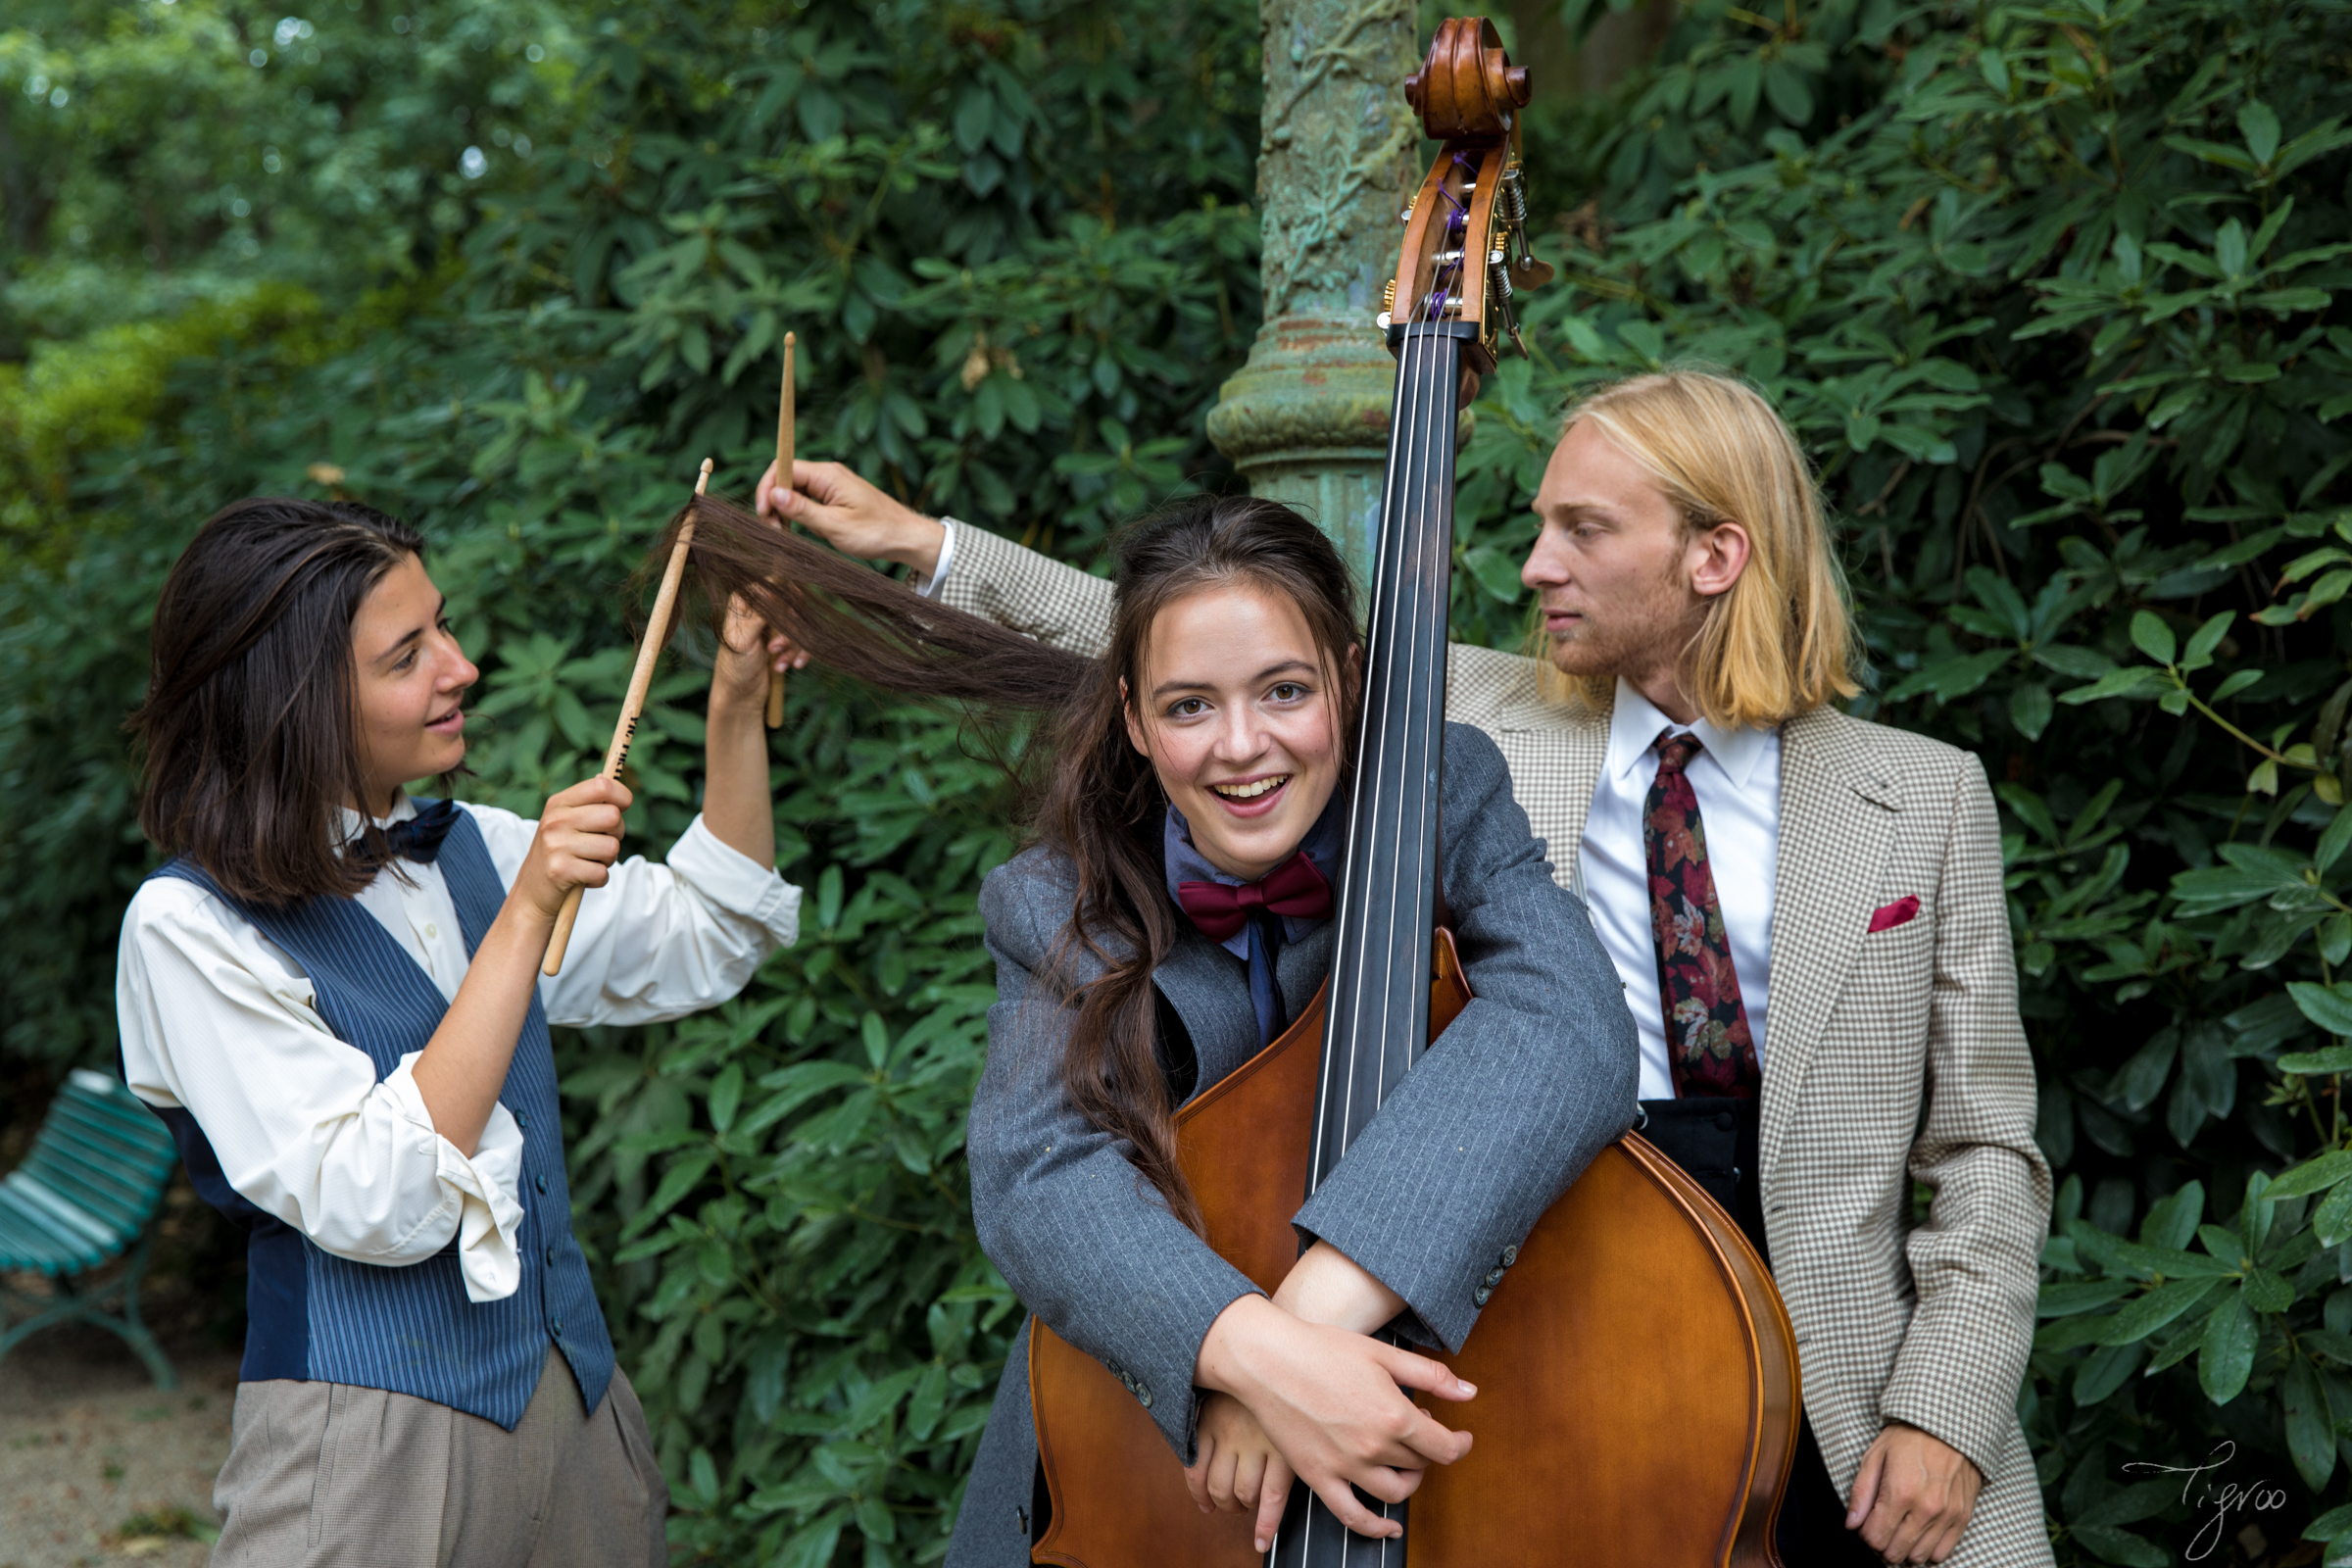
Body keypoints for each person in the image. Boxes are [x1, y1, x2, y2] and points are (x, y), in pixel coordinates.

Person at [755, 368, 2053, 1568]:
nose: (1536, 561)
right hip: (1512, 1251)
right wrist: (929, 549)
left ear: (1716, 554)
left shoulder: (1921, 798)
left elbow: (1987, 1144)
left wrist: (1947, 1404)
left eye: (1584, 531)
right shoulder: (1464, 717)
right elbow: (1179, 632)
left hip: (1820, 1354)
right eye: (1540, 522)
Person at [678, 491, 1636, 1563]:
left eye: (1284, 690)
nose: (1241, 747)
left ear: (1351, 681)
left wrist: (1317, 1305)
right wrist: (1246, 1351)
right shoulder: (1055, 900)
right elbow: (1042, 1176)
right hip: (1136, 1450)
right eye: (1189, 707)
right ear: (1133, 719)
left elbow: (1572, 1023)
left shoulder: (1443, 790)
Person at [117, 497, 803, 1567]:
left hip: (574, 1412)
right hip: (364, 1449)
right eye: (408, 654)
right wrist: (527, 916)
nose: (463, 665)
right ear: (293, 704)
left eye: (443, 624)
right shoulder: (188, 926)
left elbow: (708, 933)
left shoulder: (473, 848)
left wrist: (734, 704)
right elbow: (371, 1195)